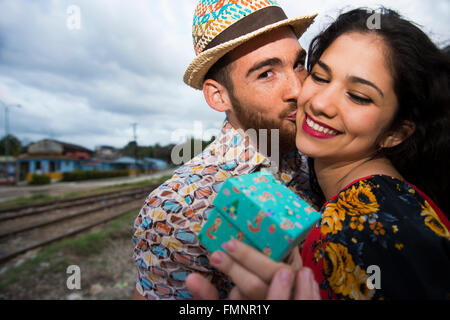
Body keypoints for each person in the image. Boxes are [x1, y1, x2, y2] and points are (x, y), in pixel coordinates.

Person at [186, 7, 450, 300]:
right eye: (321, 77)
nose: (318, 102)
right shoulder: (390, 197)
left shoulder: (359, 228)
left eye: (359, 96)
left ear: (396, 132)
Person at [132, 0, 318, 300]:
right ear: (219, 96)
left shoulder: (320, 154)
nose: (298, 89)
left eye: (298, 64)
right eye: (266, 74)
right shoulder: (175, 209)